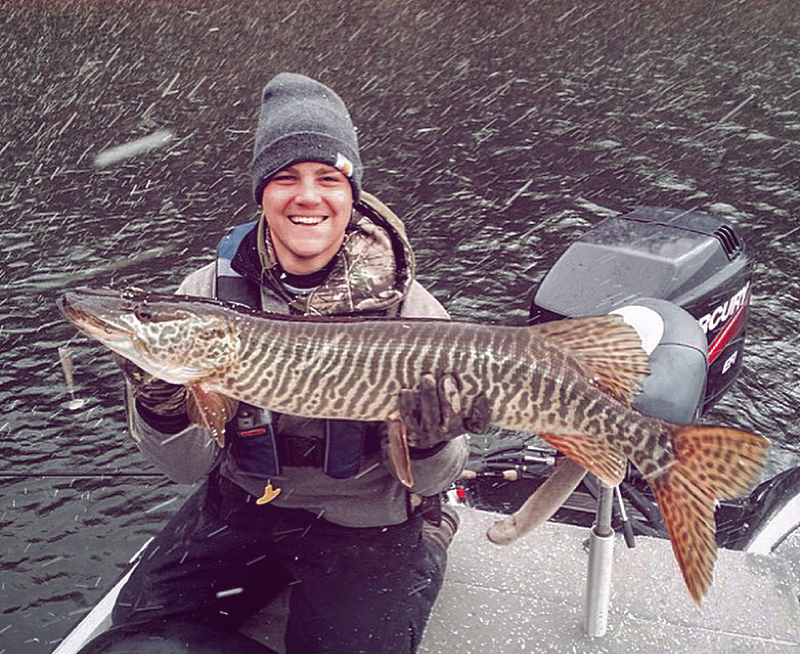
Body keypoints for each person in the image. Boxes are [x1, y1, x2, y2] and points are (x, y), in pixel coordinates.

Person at [103, 72, 488, 654]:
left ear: (350, 194)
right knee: (137, 626)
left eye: (327, 178)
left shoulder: (410, 311)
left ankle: (432, 534)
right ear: (262, 192)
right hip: (246, 501)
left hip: (367, 516)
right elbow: (187, 466)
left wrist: (433, 441)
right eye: (285, 177)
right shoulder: (207, 294)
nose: (307, 196)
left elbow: (432, 477)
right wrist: (162, 406)